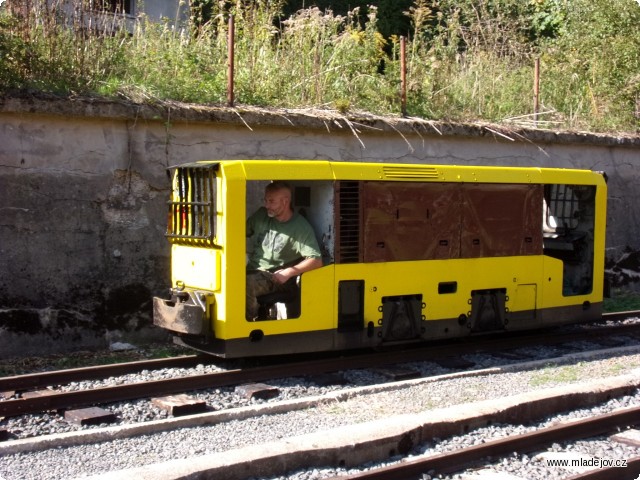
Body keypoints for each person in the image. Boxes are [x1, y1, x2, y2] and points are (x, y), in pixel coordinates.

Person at [246, 181, 322, 320]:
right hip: (252, 270)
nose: (267, 205)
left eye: (271, 201)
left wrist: (290, 272)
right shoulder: (261, 216)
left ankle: (245, 326)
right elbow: (239, 232)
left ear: (285, 202)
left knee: (246, 284)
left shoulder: (300, 227)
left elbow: (316, 260)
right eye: (266, 200)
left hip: (276, 276)